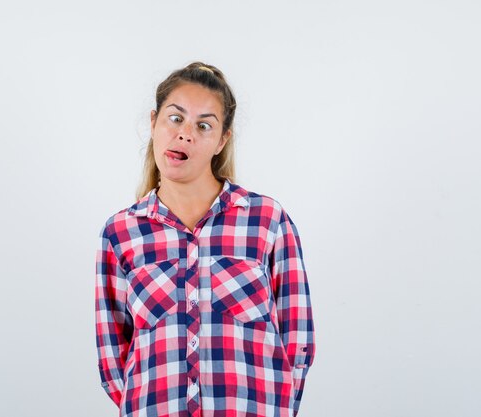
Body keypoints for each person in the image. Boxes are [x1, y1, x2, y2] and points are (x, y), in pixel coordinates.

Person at [94, 61, 316, 417]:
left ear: (221, 140)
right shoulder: (121, 233)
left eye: (204, 125)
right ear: (153, 123)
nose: (185, 134)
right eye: (175, 118)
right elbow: (113, 357)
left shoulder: (266, 221)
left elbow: (297, 341)